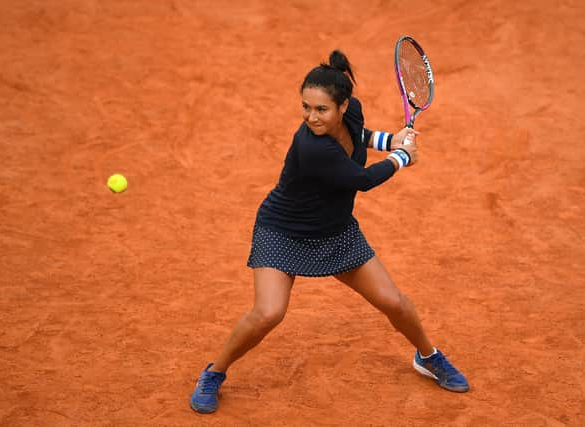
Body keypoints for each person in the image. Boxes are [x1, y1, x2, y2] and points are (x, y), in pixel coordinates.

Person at [190, 50, 469, 414]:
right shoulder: (311, 146)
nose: (310, 116)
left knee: (394, 303)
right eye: (305, 107)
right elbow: (363, 180)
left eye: (320, 109)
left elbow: (361, 134)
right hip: (283, 231)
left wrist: (390, 140)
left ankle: (428, 356)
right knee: (268, 313)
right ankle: (214, 373)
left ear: (343, 106)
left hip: (335, 233)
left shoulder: (352, 113)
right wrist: (402, 157)